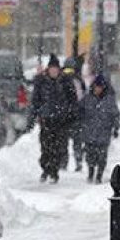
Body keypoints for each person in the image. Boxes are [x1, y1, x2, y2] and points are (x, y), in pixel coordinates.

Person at [30, 54, 77, 183]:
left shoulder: (65, 82)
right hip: (46, 120)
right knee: (46, 147)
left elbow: (72, 100)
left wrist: (70, 115)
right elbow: (35, 100)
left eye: (56, 69)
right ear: (48, 69)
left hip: (61, 121)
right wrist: (35, 115)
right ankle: (45, 169)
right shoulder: (41, 81)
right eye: (52, 68)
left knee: (58, 148)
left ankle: (54, 172)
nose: (54, 71)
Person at [80, 74, 120, 184]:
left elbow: (115, 114)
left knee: (102, 157)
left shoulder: (109, 100)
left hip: (104, 132)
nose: (97, 89)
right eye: (96, 86)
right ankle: (91, 172)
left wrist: (116, 128)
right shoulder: (87, 99)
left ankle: (99, 175)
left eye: (100, 87)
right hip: (89, 132)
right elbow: (80, 112)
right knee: (90, 155)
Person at [61, 56, 86, 172]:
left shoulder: (60, 80)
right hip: (75, 115)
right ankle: (78, 162)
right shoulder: (78, 80)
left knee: (64, 141)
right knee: (77, 142)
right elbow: (82, 98)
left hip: (64, 116)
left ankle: (64, 163)